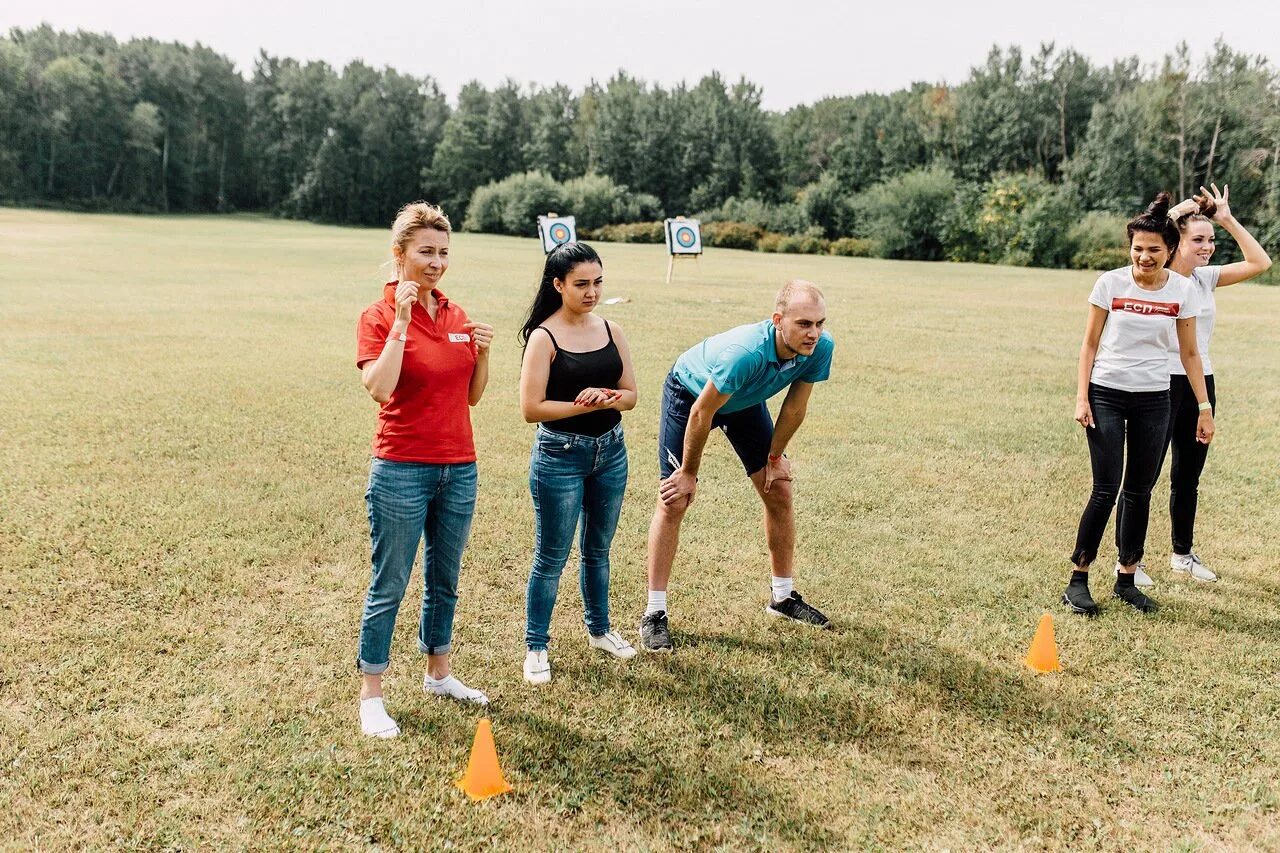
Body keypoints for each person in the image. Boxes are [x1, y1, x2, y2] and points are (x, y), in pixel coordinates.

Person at [353, 201, 495, 738]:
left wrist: (482, 355)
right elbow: (379, 387)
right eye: (425, 252)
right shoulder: (378, 315)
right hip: (400, 469)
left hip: (458, 468)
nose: (436, 262)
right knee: (390, 582)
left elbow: (473, 397)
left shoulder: (458, 315)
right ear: (400, 254)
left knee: (445, 579)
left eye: (443, 252)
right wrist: (405, 322)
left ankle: (440, 673)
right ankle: (372, 692)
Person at [639, 280, 835, 652]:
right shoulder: (745, 353)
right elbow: (702, 412)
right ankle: (654, 613)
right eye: (804, 324)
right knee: (674, 500)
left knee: (778, 490)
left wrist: (774, 459)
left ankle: (782, 598)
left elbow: (794, 408)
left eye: (820, 323)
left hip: (743, 399)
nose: (814, 333)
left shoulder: (820, 348)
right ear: (779, 320)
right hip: (692, 393)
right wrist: (688, 474)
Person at [1065, 192, 1214, 617]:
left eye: (1153, 250)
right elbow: (1089, 344)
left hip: (1155, 399)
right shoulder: (1110, 283)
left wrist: (1204, 407)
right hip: (1106, 394)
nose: (1144, 257)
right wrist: (1082, 398)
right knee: (1106, 488)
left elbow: (1189, 355)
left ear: (1170, 250)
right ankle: (1079, 578)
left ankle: (1127, 577)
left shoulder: (1183, 290)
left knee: (1139, 491)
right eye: (1137, 248)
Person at [517, 242, 639, 684]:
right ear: (558, 285)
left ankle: (600, 630)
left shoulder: (612, 329)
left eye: (598, 282)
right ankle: (536, 645)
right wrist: (582, 405)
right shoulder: (544, 337)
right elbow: (531, 408)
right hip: (560, 456)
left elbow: (631, 395)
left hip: (612, 452)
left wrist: (606, 397)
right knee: (551, 555)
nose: (592, 292)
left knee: (598, 549)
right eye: (581, 284)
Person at [1143, 184, 1271, 584]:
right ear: (1175, 243)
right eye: (1198, 240)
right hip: (1158, 383)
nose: (1207, 247)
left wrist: (1226, 218)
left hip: (1200, 384)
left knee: (1188, 476)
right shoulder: (1154, 276)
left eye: (1210, 240)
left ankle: (1182, 555)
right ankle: (1132, 559)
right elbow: (1152, 227)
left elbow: (1260, 262)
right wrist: (1184, 210)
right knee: (1144, 475)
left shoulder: (1205, 279)